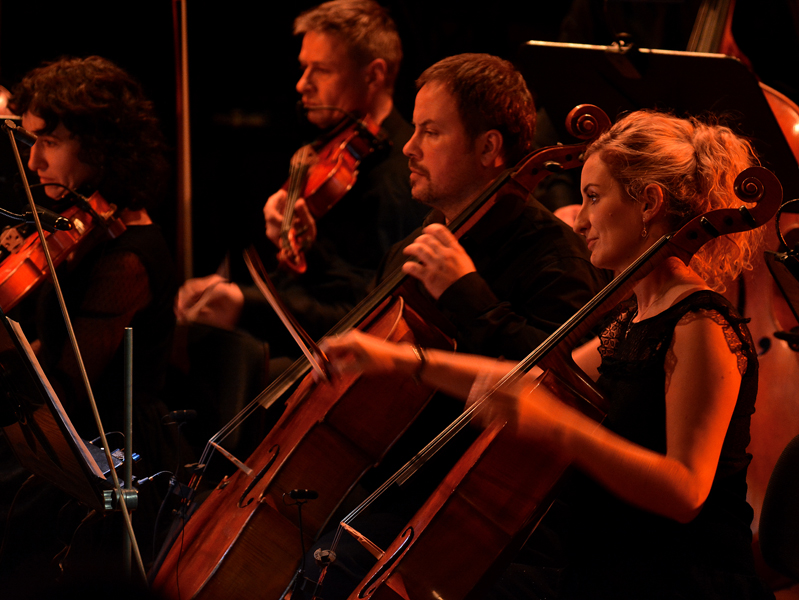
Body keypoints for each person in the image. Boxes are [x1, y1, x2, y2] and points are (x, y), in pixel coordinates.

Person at [319, 109, 775, 599]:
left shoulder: (700, 322)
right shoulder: (634, 319)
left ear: (648, 203)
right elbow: (527, 378)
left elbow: (685, 491)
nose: (579, 221)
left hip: (674, 581)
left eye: (593, 197)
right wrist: (404, 360)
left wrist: (557, 424)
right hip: (606, 565)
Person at [294, 52, 606, 598]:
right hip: (392, 482)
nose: (409, 147)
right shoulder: (415, 246)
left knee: (335, 568)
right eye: (414, 129)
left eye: (431, 132)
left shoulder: (552, 256)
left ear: (489, 148)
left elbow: (557, 386)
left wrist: (467, 294)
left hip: (478, 510)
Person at [0, 56, 180, 591]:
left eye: (49, 142)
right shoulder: (83, 231)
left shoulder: (128, 259)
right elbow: (51, 346)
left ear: (101, 146)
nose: (34, 161)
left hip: (110, 450)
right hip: (67, 430)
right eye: (32, 141)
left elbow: (68, 389)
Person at [174, 0, 427, 353]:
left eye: (321, 70)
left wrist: (245, 306)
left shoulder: (398, 181)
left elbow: (363, 318)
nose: (301, 84)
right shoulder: (333, 148)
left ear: (374, 75)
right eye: (304, 68)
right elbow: (310, 279)